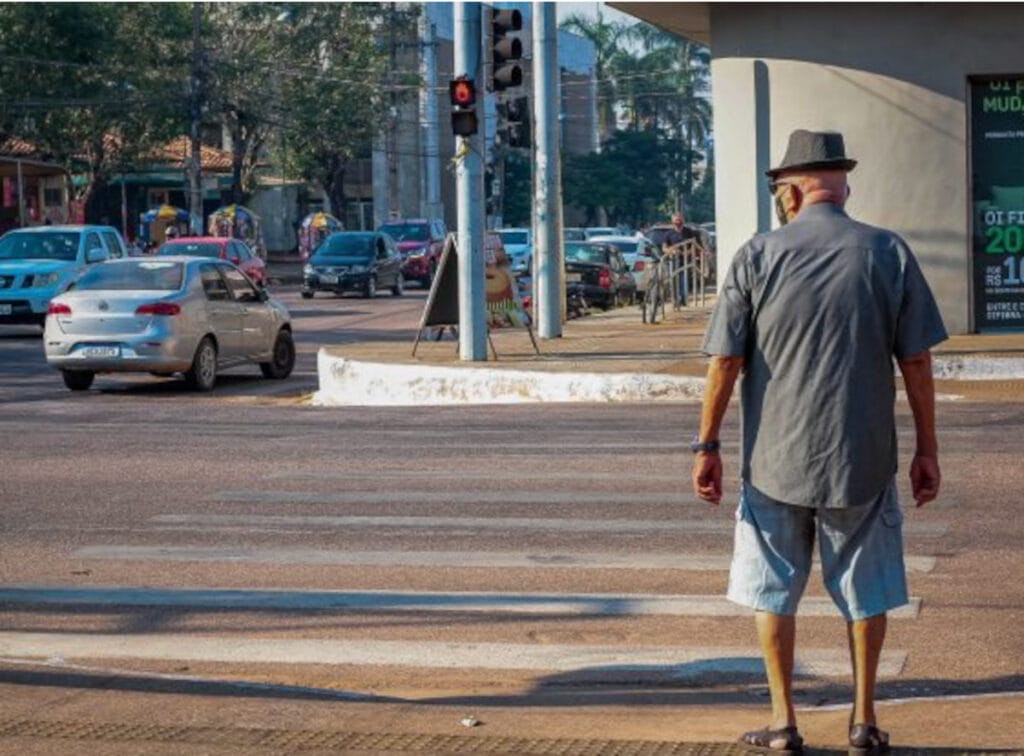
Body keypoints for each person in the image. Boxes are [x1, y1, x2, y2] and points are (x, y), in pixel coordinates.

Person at [692, 130, 947, 755]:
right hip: (863, 460)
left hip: (773, 463)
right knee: (867, 590)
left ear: (793, 190)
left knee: (773, 590)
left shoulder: (756, 255)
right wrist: (927, 449)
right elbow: (916, 360)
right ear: (841, 186)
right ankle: (864, 721)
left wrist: (707, 446)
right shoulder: (887, 251)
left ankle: (783, 723)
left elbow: (725, 362)